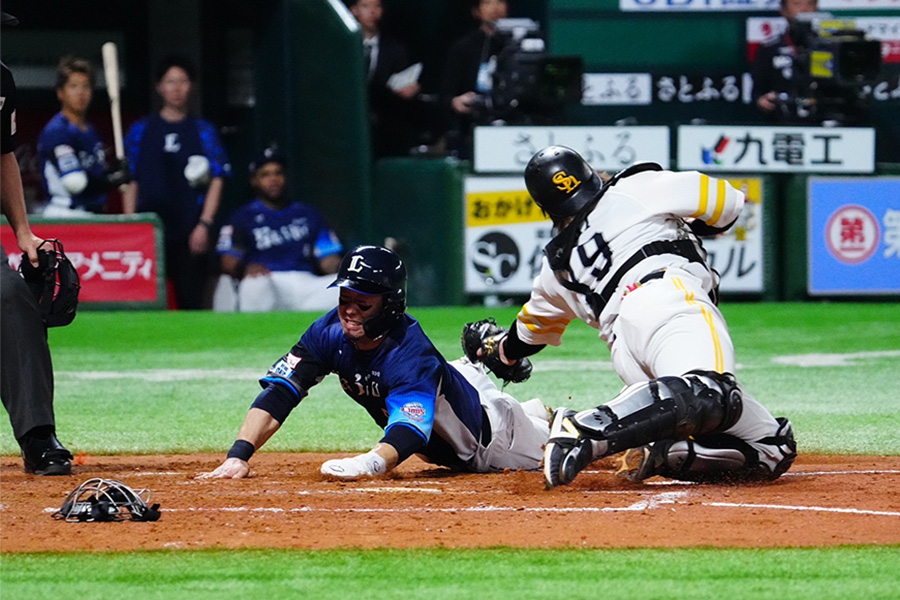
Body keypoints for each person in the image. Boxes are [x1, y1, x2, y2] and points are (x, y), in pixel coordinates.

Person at [474, 146, 797, 489]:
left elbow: (524, 338)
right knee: (711, 390)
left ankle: (660, 447)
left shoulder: (555, 268)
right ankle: (587, 428)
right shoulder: (636, 187)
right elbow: (729, 204)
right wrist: (683, 225)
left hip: (626, 353)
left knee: (772, 447)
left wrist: (495, 349)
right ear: (593, 175)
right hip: (669, 303)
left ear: (545, 208)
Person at [198, 245, 550, 481]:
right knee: (446, 387)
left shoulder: (409, 354)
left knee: (555, 448)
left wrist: (368, 463)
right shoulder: (328, 332)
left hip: (493, 441)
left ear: (391, 306)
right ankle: (503, 381)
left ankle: (556, 420)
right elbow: (281, 392)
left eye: (363, 303)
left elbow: (410, 431)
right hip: (451, 388)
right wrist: (238, 455)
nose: (349, 310)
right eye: (345, 297)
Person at [1, 11, 73, 476]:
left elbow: (3, 156)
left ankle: (37, 435)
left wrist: (23, 233)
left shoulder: (0, 80)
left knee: (12, 299)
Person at [122, 55, 230, 309]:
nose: (176, 88)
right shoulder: (141, 130)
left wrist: (204, 223)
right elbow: (130, 179)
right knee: (143, 303)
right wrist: (131, 226)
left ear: (191, 86)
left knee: (191, 300)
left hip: (190, 230)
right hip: (150, 230)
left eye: (182, 81)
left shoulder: (203, 130)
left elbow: (218, 177)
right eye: (170, 81)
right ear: (160, 87)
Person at [212, 146, 343, 312]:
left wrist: (346, 268)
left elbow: (327, 259)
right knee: (254, 285)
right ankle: (257, 335)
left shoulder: (307, 213)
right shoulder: (242, 217)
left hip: (307, 283)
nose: (273, 179)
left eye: (278, 173)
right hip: (269, 281)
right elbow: (227, 260)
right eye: (265, 175)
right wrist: (245, 268)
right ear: (254, 181)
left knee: (351, 286)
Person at [37, 55, 130, 218]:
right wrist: (110, 181)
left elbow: (91, 172)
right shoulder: (57, 131)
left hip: (91, 214)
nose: (80, 93)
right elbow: (75, 182)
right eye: (73, 86)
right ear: (60, 92)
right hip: (65, 214)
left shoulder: (90, 130)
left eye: (86, 86)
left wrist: (112, 170)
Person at [348, 0, 424, 158]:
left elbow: (406, 82)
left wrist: (413, 89)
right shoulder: (343, 48)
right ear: (354, 10)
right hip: (350, 127)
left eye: (377, 6)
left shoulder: (396, 49)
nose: (372, 11)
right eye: (366, 6)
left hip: (386, 130)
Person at [750, 0, 846, 123]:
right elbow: (757, 91)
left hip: (825, 121)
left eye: (809, 4)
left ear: (816, 8)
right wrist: (762, 100)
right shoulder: (769, 48)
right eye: (797, 4)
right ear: (783, 10)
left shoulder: (831, 46)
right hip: (783, 123)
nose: (804, 9)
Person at [439, 0, 509, 157]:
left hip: (513, 127)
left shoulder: (519, 45)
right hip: (473, 128)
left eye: (500, 2)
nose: (495, 8)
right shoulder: (463, 47)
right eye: (488, 3)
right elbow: (445, 95)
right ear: (476, 11)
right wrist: (455, 102)